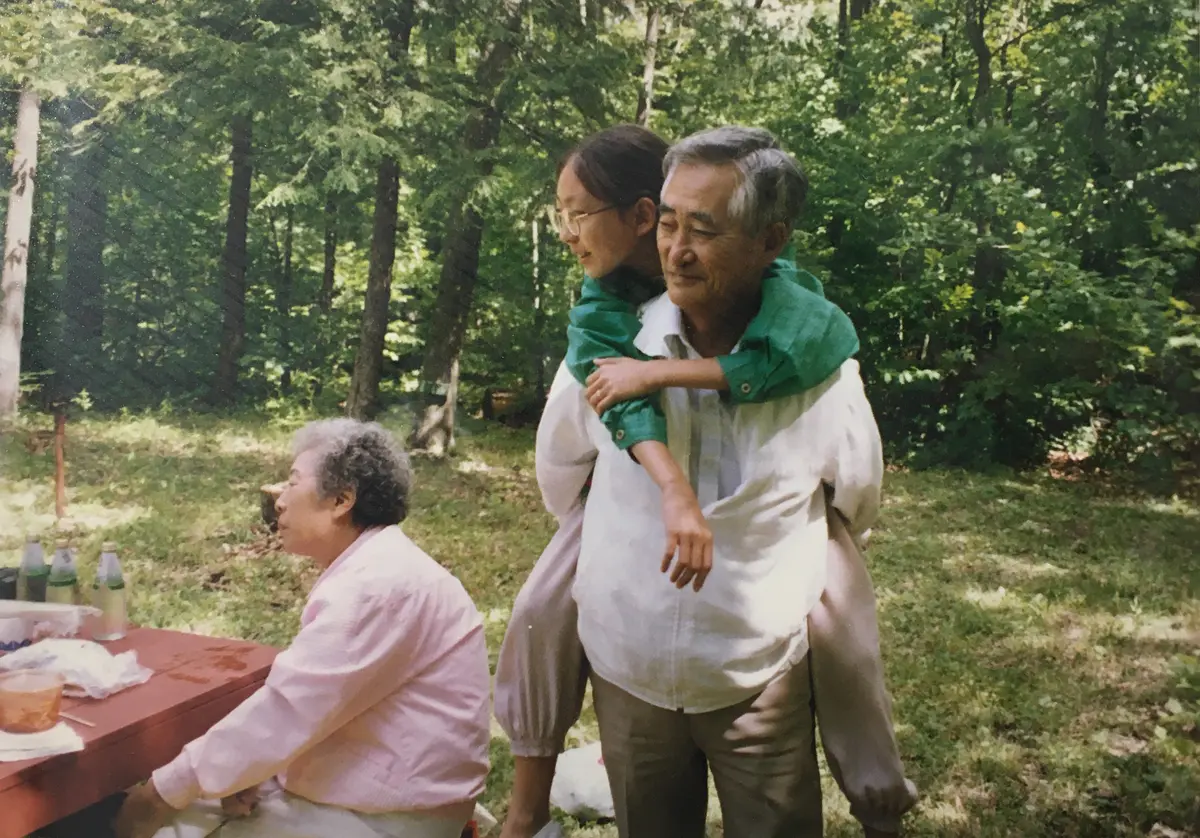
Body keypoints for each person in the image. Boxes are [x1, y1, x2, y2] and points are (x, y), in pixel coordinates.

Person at [496, 124, 916, 838]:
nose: (676, 250)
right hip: (628, 668)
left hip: (760, 680)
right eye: (666, 223)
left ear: (771, 241)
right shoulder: (606, 347)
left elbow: (856, 497)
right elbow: (563, 477)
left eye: (704, 230)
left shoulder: (821, 374)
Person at [113, 419, 491, 838]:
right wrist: (253, 772)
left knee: (163, 826)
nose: (279, 500)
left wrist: (158, 795)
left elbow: (287, 711)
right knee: (191, 804)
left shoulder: (377, 585)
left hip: (387, 820)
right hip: (375, 796)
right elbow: (312, 711)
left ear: (342, 500)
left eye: (293, 483)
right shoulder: (379, 567)